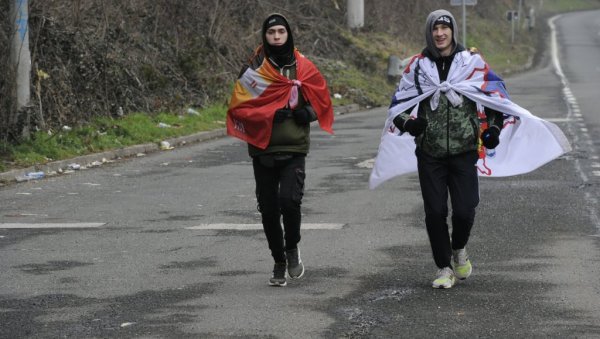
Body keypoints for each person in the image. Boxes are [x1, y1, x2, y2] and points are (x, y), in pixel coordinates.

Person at [390, 10, 504, 289]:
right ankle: (443, 267)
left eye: (444, 27)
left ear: (452, 31)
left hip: (465, 150)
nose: (439, 33)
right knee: (434, 212)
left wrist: (492, 130)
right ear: (429, 33)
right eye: (435, 29)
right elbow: (397, 107)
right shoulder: (417, 68)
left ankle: (459, 249)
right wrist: (410, 124)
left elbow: (496, 99)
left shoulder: (471, 63)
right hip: (430, 153)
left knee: (465, 211)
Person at [226, 13, 334, 287]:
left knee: (289, 201)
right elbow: (239, 104)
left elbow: (321, 101)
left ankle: (292, 247)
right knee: (269, 209)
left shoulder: (303, 67)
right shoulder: (254, 67)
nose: (276, 37)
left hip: (294, 146)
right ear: (265, 35)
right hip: (262, 147)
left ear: (288, 34)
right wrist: (263, 114)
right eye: (271, 32)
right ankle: (278, 261)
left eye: (280, 32)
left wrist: (304, 114)